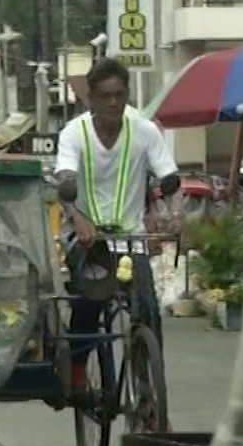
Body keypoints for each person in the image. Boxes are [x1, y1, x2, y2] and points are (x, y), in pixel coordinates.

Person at [52, 57, 181, 383]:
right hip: (87, 238)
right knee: (90, 298)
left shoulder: (145, 131)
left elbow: (167, 174)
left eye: (119, 95)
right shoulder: (73, 134)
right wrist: (77, 217)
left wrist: (170, 204)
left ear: (127, 96)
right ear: (92, 98)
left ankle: (150, 389)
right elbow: (64, 179)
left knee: (148, 311)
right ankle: (78, 369)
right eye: (105, 96)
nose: (113, 102)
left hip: (131, 238)